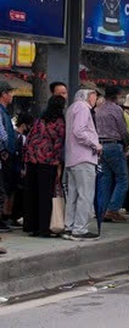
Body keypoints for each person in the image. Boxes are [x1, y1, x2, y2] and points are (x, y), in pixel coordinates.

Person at [23, 96, 66, 237]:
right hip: (47, 162)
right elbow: (58, 143)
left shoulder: (39, 120)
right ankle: (44, 228)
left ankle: (32, 227)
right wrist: (58, 162)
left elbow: (29, 139)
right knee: (45, 195)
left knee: (32, 193)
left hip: (32, 161)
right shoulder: (59, 122)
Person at [63, 89, 102, 241]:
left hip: (72, 158)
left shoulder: (72, 108)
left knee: (73, 194)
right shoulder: (83, 108)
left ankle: (70, 227)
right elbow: (79, 131)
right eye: (95, 96)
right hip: (84, 157)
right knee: (85, 195)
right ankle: (80, 229)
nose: (96, 99)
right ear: (88, 96)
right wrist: (95, 144)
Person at [95, 86, 129, 223]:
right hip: (114, 145)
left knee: (106, 179)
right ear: (117, 95)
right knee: (122, 178)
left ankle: (103, 210)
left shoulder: (99, 110)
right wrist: (127, 144)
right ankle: (113, 209)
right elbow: (123, 130)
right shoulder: (117, 110)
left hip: (101, 146)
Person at [4, 112, 34, 228]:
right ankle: (9, 215)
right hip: (16, 168)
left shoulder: (16, 135)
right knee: (12, 192)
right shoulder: (20, 137)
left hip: (13, 167)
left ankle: (9, 215)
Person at [0, 81, 17, 234]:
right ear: (3, 94)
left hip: (6, 155)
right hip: (4, 155)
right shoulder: (1, 112)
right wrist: (4, 149)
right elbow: (3, 135)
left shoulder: (5, 112)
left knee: (6, 188)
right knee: (3, 188)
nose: (12, 95)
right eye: (9, 92)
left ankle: (5, 217)